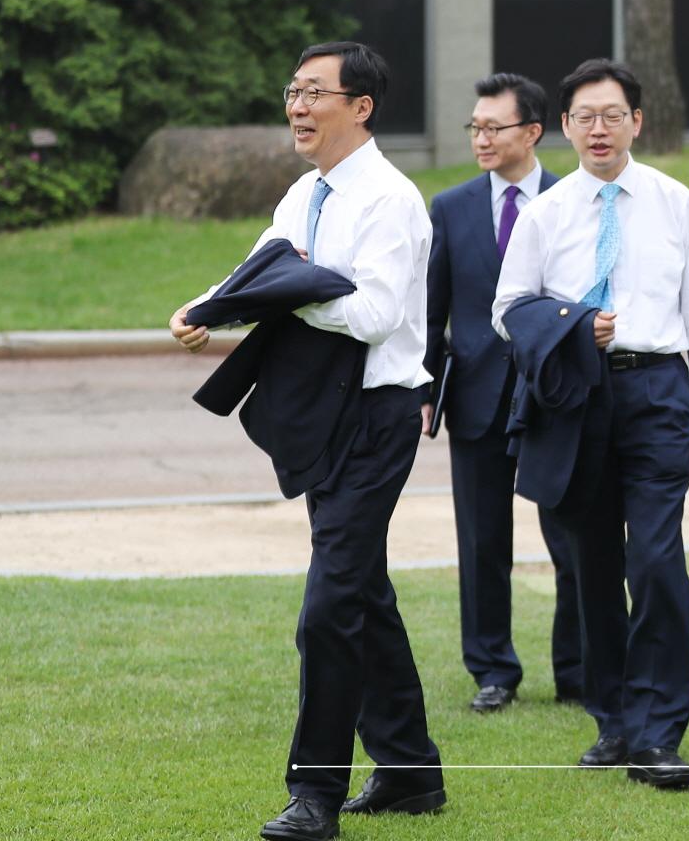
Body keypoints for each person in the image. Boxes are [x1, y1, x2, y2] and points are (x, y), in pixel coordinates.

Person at [168, 41, 444, 841]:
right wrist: (206, 309)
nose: (296, 104)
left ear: (359, 106)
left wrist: (297, 289)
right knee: (362, 592)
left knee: (327, 609)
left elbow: (374, 315)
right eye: (292, 89)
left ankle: (315, 795)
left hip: (377, 417)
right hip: (321, 413)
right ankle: (411, 773)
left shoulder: (391, 200)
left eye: (313, 91)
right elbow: (259, 267)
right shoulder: (305, 193)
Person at [492, 58, 689, 791]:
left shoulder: (674, 200)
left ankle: (660, 734)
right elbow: (507, 311)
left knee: (656, 566)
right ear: (563, 128)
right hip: (575, 400)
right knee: (590, 568)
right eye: (585, 116)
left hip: (657, 392)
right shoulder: (545, 214)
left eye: (613, 115)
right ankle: (613, 720)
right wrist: (573, 324)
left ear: (637, 123)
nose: (599, 128)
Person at [422, 72, 584, 713]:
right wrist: (426, 388)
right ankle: (493, 670)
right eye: (475, 127)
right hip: (476, 398)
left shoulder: (573, 199)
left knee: (571, 538)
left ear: (533, 132)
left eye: (494, 127)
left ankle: (578, 670)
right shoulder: (452, 207)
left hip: (554, 394)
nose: (481, 139)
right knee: (483, 541)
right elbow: (431, 308)